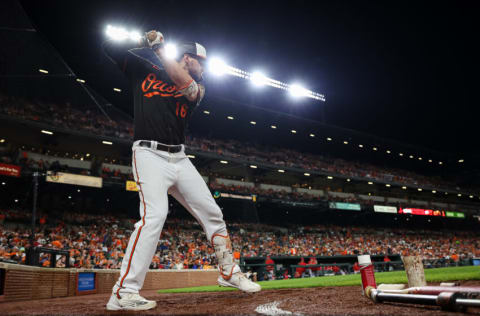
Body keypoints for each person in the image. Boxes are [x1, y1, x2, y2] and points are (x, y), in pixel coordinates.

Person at [103, 30, 260, 311]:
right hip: (149, 154)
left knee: (213, 214)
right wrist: (141, 42)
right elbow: (107, 47)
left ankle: (229, 273)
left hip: (179, 157)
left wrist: (161, 49)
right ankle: (123, 292)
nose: (205, 68)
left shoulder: (198, 86)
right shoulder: (144, 67)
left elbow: (183, 83)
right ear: (188, 58)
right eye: (202, 61)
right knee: (154, 216)